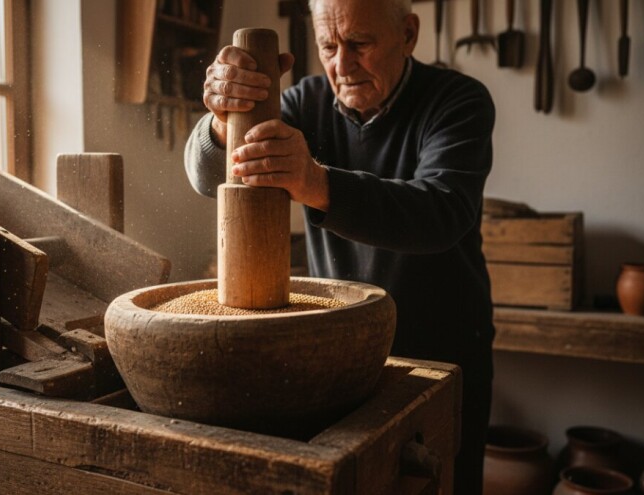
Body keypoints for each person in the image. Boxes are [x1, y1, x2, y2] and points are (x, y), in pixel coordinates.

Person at [183, 0, 495, 492]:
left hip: (440, 355)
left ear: (408, 34)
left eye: (360, 44)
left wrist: (315, 182)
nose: (342, 66)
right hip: (339, 355)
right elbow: (206, 178)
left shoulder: (458, 100)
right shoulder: (303, 103)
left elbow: (441, 212)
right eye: (328, 46)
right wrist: (223, 122)